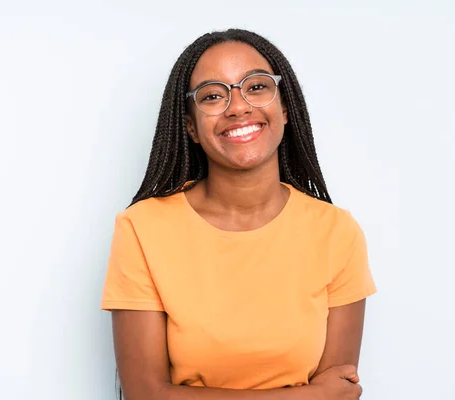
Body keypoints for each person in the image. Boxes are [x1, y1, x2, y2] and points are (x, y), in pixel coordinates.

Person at [101, 28, 377, 400]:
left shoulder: (336, 232)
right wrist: (307, 395)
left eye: (257, 87)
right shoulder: (142, 229)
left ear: (284, 108)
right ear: (190, 127)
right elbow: (146, 394)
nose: (238, 106)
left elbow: (339, 394)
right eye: (213, 95)